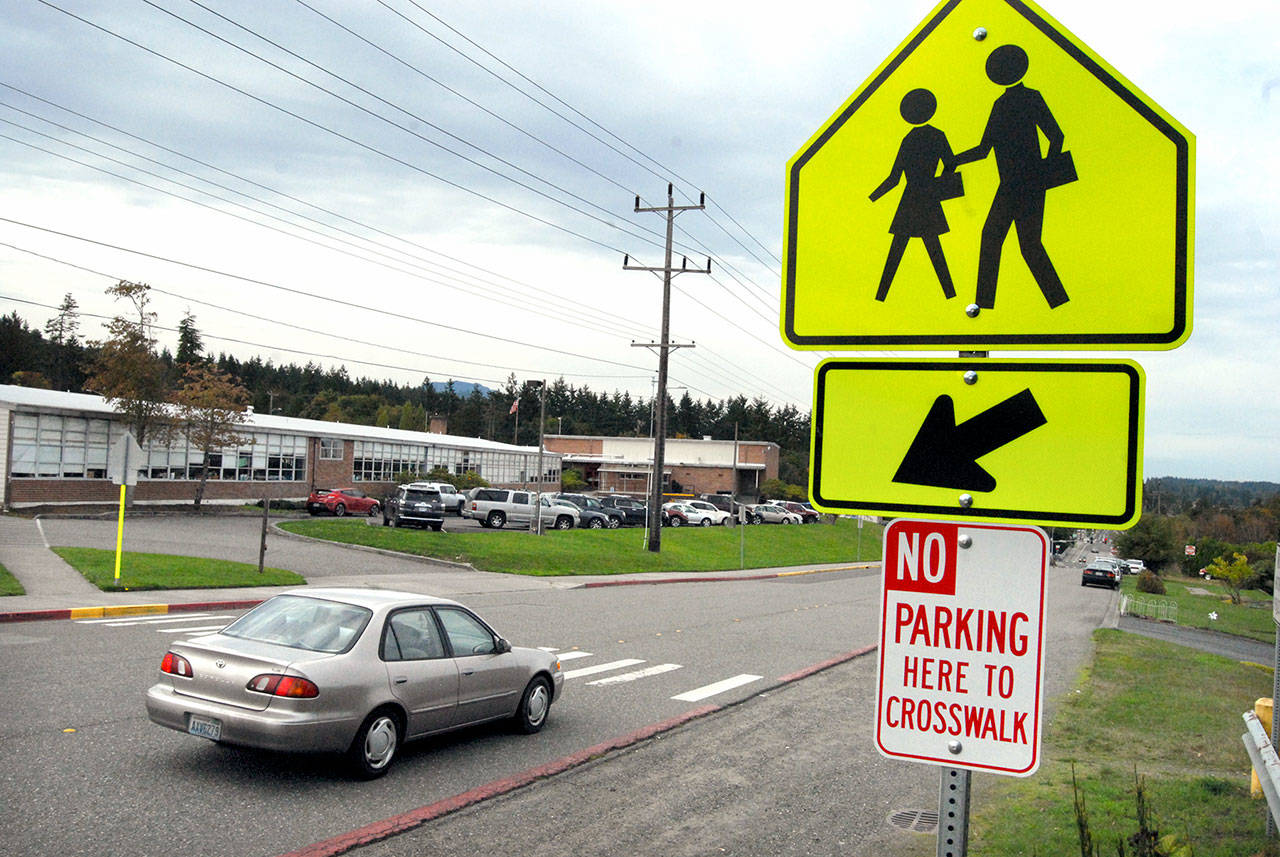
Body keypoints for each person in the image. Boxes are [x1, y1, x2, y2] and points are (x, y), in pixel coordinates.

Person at [955, 44, 1073, 309]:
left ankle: (1059, 302)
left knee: (1024, 245)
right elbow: (985, 149)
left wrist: (1044, 173)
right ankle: (985, 307)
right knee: (1001, 240)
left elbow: (1056, 135)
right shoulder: (1003, 103)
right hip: (1011, 185)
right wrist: (955, 160)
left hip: (1025, 184)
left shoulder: (1030, 98)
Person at [868, 87, 960, 302]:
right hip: (927, 198)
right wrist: (937, 186)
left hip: (911, 200)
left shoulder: (908, 139)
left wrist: (873, 197)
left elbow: (894, 179)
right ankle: (951, 295)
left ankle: (881, 297)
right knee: (930, 247)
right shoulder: (936, 135)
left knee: (901, 249)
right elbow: (951, 164)